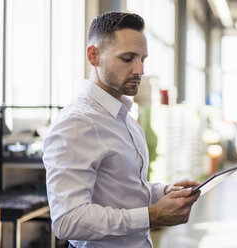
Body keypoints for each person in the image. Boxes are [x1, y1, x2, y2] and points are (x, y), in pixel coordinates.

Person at [43, 12, 200, 248]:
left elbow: (124, 188)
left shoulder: (122, 116)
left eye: (142, 59)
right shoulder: (77, 123)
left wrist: (165, 192)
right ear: (93, 56)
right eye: (127, 58)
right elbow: (67, 221)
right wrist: (153, 215)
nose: (139, 70)